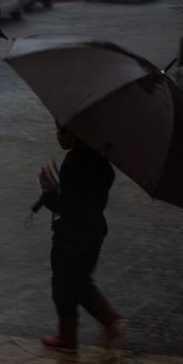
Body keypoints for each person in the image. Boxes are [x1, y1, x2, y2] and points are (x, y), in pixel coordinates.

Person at [38, 124, 126, 351]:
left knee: (63, 285)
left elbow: (68, 206)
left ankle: (69, 336)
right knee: (79, 281)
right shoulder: (103, 163)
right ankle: (111, 320)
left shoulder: (74, 162)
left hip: (71, 236)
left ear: (76, 135)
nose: (58, 135)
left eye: (61, 130)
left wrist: (49, 195)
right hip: (94, 232)